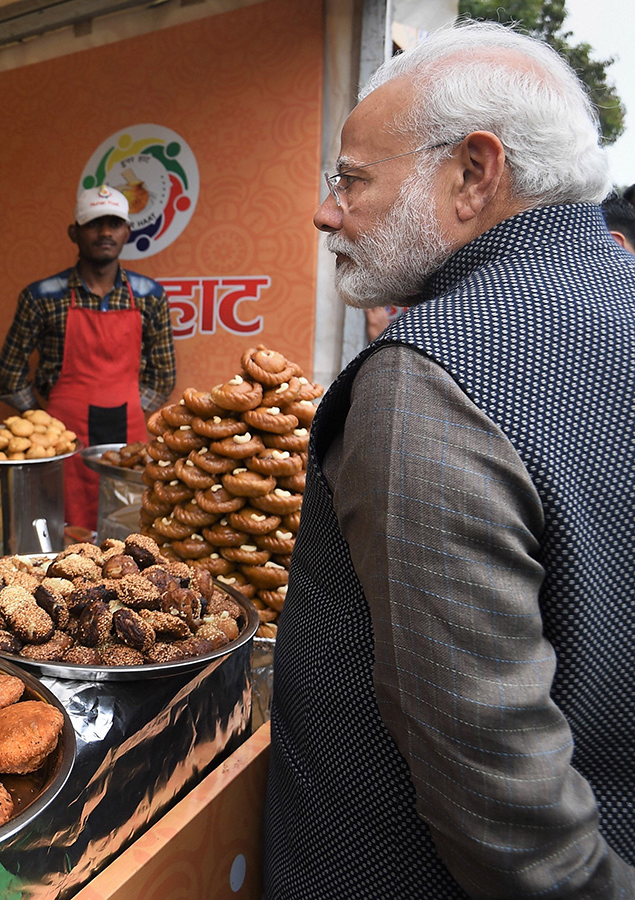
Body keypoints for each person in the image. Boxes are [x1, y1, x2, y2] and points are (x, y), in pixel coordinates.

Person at [263, 21, 635, 899]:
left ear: (474, 173)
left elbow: (494, 782)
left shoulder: (430, 379)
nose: (327, 210)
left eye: (351, 180)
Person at [0, 185, 175, 530]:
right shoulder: (42, 296)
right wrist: (41, 422)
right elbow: (9, 370)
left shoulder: (150, 295)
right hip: (63, 436)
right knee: (64, 531)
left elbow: (164, 375)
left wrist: (133, 404)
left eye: (114, 223)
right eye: (94, 224)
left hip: (129, 436)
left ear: (127, 232)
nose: (105, 232)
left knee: (127, 529)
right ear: (74, 232)